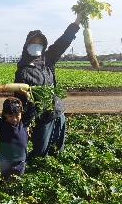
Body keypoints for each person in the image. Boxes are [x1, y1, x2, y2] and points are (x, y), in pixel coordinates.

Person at [14, 12, 84, 159]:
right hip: (42, 117)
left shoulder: (48, 58)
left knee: (58, 149)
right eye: (34, 42)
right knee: (41, 152)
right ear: (27, 45)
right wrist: (24, 124)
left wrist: (77, 21)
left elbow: (63, 41)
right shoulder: (22, 70)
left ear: (44, 45)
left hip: (58, 111)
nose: (37, 45)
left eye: (40, 43)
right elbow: (20, 100)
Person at [0, 90, 35, 180]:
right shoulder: (2, 125)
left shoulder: (23, 123)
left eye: (17, 116)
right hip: (5, 161)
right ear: (5, 114)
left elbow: (31, 111)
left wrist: (27, 95)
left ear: (21, 113)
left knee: (19, 181)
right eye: (10, 116)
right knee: (6, 180)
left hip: (20, 160)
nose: (14, 119)